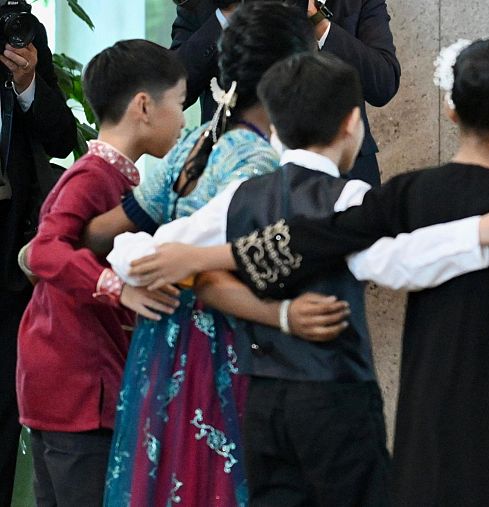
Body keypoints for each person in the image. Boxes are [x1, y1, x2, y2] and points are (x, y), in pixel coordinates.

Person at [125, 38, 489, 507]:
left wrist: (199, 260)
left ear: (451, 111)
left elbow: (319, 238)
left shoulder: (408, 194)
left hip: (420, 426)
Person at [95, 5, 317, 506]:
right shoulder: (260, 161)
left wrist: (62, 234)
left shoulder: (196, 141)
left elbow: (111, 225)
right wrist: (283, 315)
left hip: (162, 345)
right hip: (218, 351)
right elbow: (215, 278)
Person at [15, 40, 186, 507]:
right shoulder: (93, 177)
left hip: (68, 386)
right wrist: (117, 288)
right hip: (78, 389)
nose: (184, 119)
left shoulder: (111, 178)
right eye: (179, 102)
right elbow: (44, 251)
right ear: (145, 107)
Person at [172, 0, 400, 186]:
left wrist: (317, 19)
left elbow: (383, 84)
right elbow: (170, 90)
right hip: (236, 170)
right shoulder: (201, 5)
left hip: (340, 169)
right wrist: (228, 14)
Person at [0, 16, 77, 504]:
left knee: (5, 410)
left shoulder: (21, 34)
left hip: (10, 256)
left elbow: (61, 138)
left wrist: (26, 83)